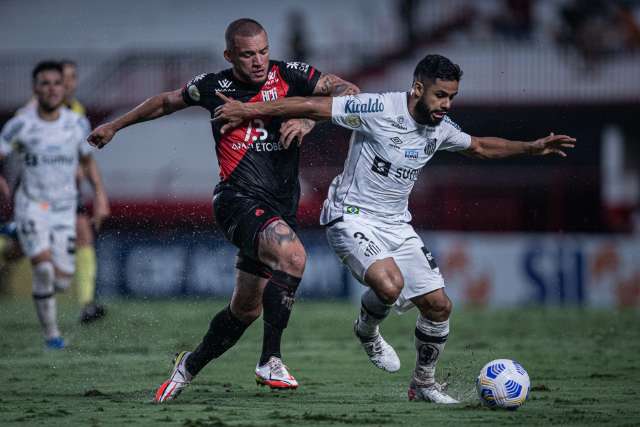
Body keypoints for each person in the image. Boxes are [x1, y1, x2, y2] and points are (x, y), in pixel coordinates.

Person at [214, 53, 576, 403]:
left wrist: (532, 147)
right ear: (418, 88)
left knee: (439, 306)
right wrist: (247, 109)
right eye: (440, 95)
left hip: (398, 225)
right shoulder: (377, 109)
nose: (446, 104)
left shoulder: (440, 129)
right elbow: (312, 107)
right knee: (389, 285)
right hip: (350, 215)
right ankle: (367, 330)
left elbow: (480, 146)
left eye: (452, 97)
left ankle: (423, 385)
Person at [86, 18, 359, 402]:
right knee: (294, 257)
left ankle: (187, 367)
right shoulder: (216, 87)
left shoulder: (291, 75)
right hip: (237, 201)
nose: (259, 61)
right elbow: (166, 101)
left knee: (245, 310)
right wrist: (115, 125)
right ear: (230, 55)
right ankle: (271, 360)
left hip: (280, 206)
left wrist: (306, 117)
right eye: (248, 54)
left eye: (263, 51)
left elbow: (349, 92)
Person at [0, 61, 104, 349]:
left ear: (65, 88)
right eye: (45, 83)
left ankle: (13, 236)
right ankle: (52, 336)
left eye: (57, 83)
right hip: (33, 205)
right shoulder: (21, 123)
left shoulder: (77, 123)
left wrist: (100, 195)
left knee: (61, 280)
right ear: (35, 88)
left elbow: (86, 160)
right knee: (44, 270)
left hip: (64, 209)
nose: (52, 88)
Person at [60, 59, 111, 323]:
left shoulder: (77, 112)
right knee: (18, 248)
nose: (68, 83)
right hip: (39, 193)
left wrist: (100, 195)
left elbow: (86, 159)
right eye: (63, 78)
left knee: (83, 233)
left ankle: (86, 304)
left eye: (72, 77)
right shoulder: (32, 115)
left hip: (68, 191)